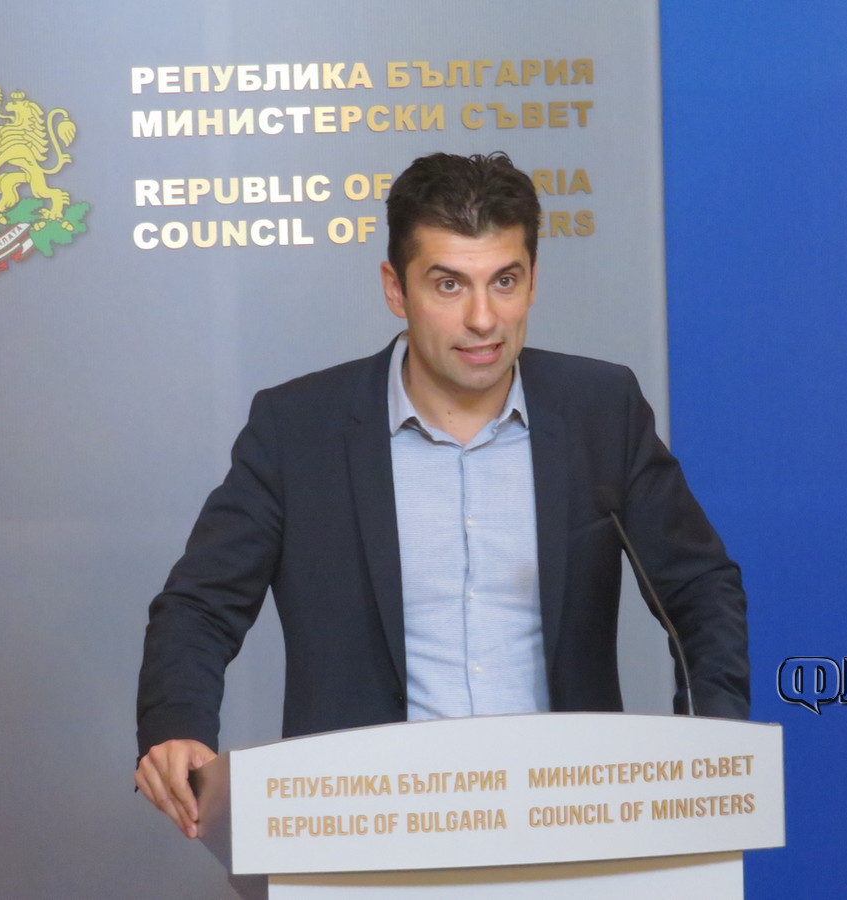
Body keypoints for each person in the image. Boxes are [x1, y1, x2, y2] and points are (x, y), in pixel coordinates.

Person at [135, 152, 749, 838]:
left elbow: (699, 586)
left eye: (504, 281)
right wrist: (177, 724)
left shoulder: (600, 411)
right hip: (363, 826)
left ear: (533, 282)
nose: (483, 319)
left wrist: (711, 742)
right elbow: (201, 604)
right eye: (449, 285)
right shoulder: (298, 429)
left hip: (567, 819)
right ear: (395, 290)